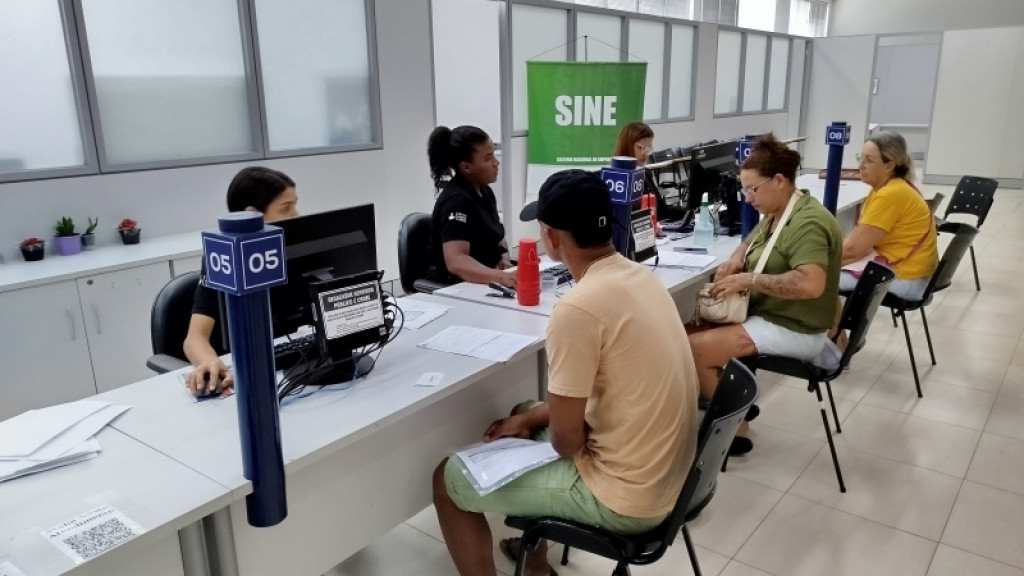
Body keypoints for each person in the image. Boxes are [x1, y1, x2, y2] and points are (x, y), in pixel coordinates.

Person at [431, 170, 699, 576]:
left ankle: (528, 550)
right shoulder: (641, 277)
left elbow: (567, 442)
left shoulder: (577, 309)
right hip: (672, 479)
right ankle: (536, 565)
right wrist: (528, 420)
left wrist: (555, 433)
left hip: (626, 499)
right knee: (524, 411)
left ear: (551, 238)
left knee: (446, 480)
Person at [687, 134, 842, 455]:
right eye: (744, 190)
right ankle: (734, 402)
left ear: (779, 181)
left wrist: (749, 279)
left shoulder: (807, 223)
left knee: (695, 350)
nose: (747, 198)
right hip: (775, 316)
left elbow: (811, 284)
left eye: (752, 190)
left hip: (797, 328)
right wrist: (734, 262)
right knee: (685, 332)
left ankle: (735, 429)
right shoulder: (779, 213)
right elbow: (749, 243)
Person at [183, 166, 299, 396]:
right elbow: (194, 337)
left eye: (295, 204)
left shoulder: (298, 245)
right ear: (252, 214)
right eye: (286, 208)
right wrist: (209, 361)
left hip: (289, 367)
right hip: (247, 376)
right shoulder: (223, 257)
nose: (296, 215)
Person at [841, 132, 938, 300]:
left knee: (817, 280)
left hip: (906, 278)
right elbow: (857, 242)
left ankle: (836, 318)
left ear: (889, 166)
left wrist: (814, 262)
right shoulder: (888, 188)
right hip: (903, 271)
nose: (860, 166)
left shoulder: (891, 194)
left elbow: (853, 250)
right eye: (860, 158)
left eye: (869, 160)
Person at [425, 125, 515, 287]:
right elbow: (456, 261)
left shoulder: (485, 192)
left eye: (494, 154)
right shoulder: (456, 201)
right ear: (466, 167)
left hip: (485, 280)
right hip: (455, 285)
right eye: (488, 158)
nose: (496, 163)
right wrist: (499, 277)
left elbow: (498, 237)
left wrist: (503, 259)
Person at [613, 121, 688, 221]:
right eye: (641, 148)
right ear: (627, 146)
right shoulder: (617, 180)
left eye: (649, 148)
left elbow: (663, 211)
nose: (646, 153)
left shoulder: (645, 172)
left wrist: (691, 212)